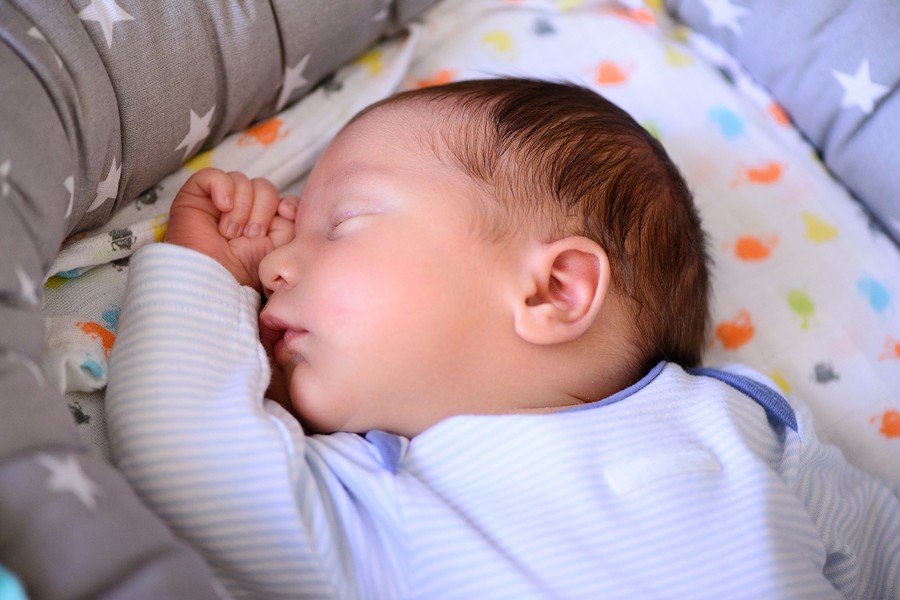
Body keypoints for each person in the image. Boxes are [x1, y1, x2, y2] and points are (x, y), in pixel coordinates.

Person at [106, 79, 900, 599]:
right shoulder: (370, 493)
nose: (275, 261)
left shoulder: (747, 423)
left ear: (553, 290)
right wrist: (202, 265)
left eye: (341, 224)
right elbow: (183, 445)